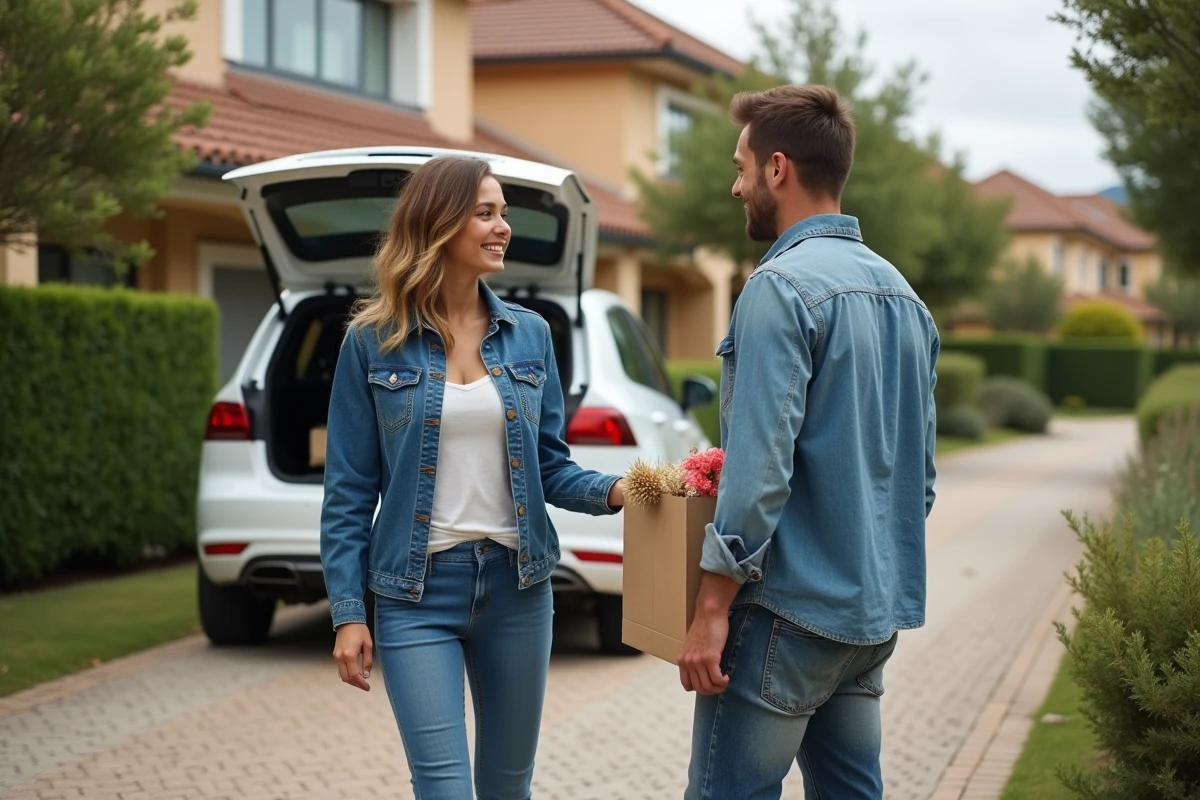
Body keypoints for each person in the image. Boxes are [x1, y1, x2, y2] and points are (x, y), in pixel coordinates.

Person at [319, 155, 627, 799]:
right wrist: (349, 612)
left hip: (518, 589)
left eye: (503, 214)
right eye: (485, 213)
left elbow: (548, 465)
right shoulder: (372, 341)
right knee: (443, 789)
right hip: (415, 593)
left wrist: (618, 491)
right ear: (439, 224)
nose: (502, 227)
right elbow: (348, 491)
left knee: (507, 789)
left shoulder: (531, 336)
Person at [678, 84, 941, 800]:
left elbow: (760, 472)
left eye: (741, 167)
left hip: (783, 619)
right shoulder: (905, 298)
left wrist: (710, 611)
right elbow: (917, 480)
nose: (736, 186)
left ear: (778, 168)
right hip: (867, 621)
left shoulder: (779, 288)